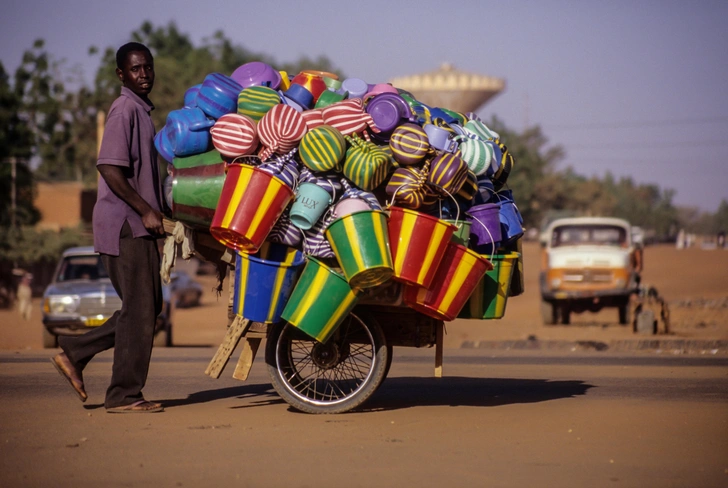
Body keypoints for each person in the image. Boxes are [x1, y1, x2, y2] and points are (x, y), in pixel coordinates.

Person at [50, 42, 166, 413]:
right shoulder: (124, 110)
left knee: (146, 308)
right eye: (135, 69)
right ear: (121, 74)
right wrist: (146, 210)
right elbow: (109, 168)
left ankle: (74, 353)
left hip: (138, 225)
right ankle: (123, 396)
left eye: (147, 67)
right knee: (141, 309)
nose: (143, 74)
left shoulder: (142, 112)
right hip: (125, 224)